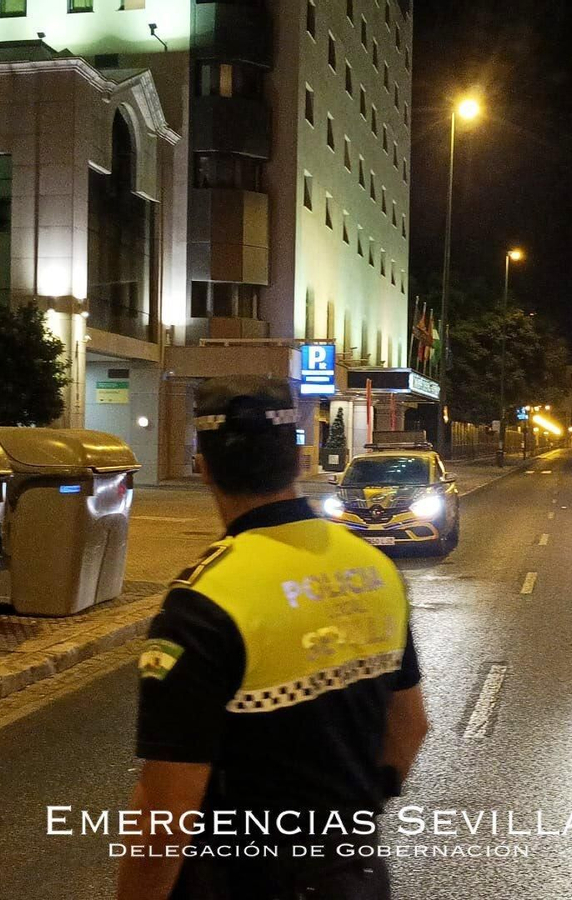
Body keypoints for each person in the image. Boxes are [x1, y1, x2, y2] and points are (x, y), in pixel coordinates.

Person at [118, 375, 428, 900]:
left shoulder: (203, 604)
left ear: (203, 467)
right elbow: (411, 727)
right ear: (300, 460)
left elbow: (166, 814)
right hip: (355, 878)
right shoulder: (375, 568)